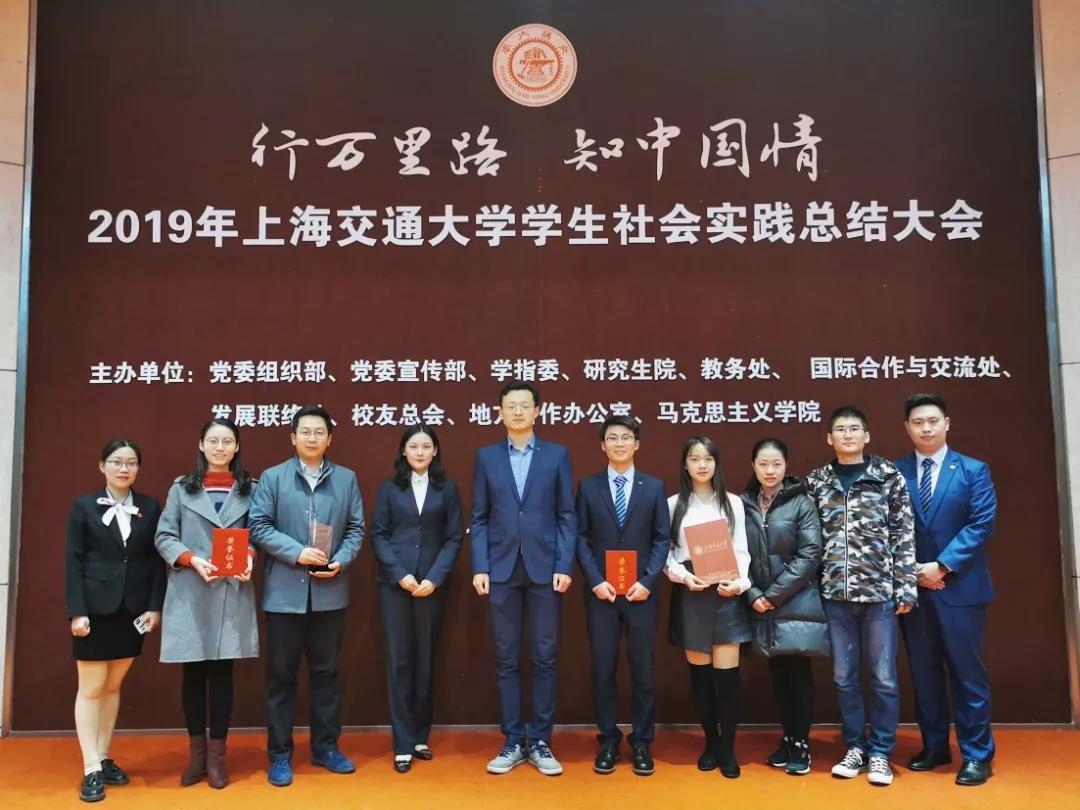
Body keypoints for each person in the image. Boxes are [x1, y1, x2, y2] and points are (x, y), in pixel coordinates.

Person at [248, 405, 364, 787]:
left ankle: (326, 748)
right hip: (284, 594)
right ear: (293, 437)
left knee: (327, 674)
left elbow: (356, 529)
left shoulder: (346, 479)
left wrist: (340, 561)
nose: (312, 438)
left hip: (330, 592)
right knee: (281, 677)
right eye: (305, 432)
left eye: (319, 432)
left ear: (330, 439)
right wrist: (297, 552)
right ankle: (280, 755)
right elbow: (258, 526)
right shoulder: (273, 477)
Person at [805, 405, 916, 787]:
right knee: (843, 678)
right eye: (840, 429)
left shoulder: (887, 476)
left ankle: (881, 752)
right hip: (834, 595)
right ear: (829, 438)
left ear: (867, 436)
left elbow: (903, 533)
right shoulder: (817, 481)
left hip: (880, 595)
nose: (848, 435)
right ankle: (855, 747)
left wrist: (906, 586)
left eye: (854, 429)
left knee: (884, 678)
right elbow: (809, 538)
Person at [471, 380, 576, 776]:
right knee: (506, 656)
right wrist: (480, 566)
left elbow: (566, 515)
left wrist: (564, 565)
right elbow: (479, 517)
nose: (517, 411)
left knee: (545, 656)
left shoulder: (557, 455)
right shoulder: (486, 456)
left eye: (524, 405)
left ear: (537, 411)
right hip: (500, 569)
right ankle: (514, 739)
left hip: (546, 569)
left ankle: (542, 741)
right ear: (499, 412)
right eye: (510, 406)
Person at [895, 394, 997, 786]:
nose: (926, 428)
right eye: (918, 422)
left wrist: (941, 566)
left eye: (933, 421)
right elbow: (888, 527)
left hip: (960, 589)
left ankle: (977, 755)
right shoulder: (895, 472)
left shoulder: (973, 470)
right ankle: (935, 745)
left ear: (947, 423)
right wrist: (914, 571)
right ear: (907, 427)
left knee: (966, 673)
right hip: (914, 591)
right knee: (924, 673)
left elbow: (980, 524)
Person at [154, 417, 258, 789]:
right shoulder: (182, 488)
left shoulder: (250, 489)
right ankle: (196, 756)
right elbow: (164, 535)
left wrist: (249, 556)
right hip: (191, 590)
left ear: (236, 447)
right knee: (193, 676)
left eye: (227, 441)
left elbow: (258, 532)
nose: (219, 447)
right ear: (201, 445)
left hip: (231, 589)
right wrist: (190, 559)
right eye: (213, 441)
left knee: (223, 674)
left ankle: (217, 759)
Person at [65, 439, 164, 803]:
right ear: (102, 465)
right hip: (94, 610)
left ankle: (104, 756)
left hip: (132, 610)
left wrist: (154, 607)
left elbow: (155, 561)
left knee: (112, 686)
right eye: (117, 462)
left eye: (131, 462)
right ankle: (91, 766)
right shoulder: (83, 507)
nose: (124, 468)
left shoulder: (150, 506)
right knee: (91, 687)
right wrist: (77, 611)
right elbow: (73, 562)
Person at [575, 416, 669, 777]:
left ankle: (642, 741)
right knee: (603, 669)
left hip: (641, 593)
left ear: (637, 444)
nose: (619, 444)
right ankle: (609, 740)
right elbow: (581, 538)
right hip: (602, 594)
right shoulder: (588, 487)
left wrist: (648, 580)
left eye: (625, 437)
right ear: (602, 446)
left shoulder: (653, 487)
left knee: (643, 670)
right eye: (612, 438)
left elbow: (661, 538)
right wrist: (595, 580)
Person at [370, 424, 464, 773]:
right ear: (403, 451)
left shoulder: (447, 488)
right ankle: (402, 742)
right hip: (396, 585)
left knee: (425, 659)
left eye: (426, 446)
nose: (420, 452)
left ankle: (421, 735)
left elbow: (454, 537)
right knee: (400, 661)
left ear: (435, 451)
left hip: (432, 586)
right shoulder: (389, 487)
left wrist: (435, 577)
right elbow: (378, 534)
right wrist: (401, 575)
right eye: (414, 446)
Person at [740, 437, 828, 776]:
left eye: (776, 464)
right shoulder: (743, 504)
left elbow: (810, 554)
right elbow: (736, 554)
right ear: (753, 466)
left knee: (798, 674)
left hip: (794, 601)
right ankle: (788, 738)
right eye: (763, 464)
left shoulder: (801, 502)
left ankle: (801, 743)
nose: (770, 470)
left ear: (786, 466)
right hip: (761, 604)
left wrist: (772, 595)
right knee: (778, 675)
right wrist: (753, 594)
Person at [665, 436, 751, 779]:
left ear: (717, 463)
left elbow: (742, 549)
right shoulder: (673, 505)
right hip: (692, 591)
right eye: (694, 458)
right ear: (685, 464)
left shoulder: (733, 503)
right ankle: (711, 743)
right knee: (700, 677)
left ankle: (728, 747)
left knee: (727, 677)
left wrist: (740, 584)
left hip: (727, 592)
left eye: (708, 459)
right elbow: (666, 554)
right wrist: (684, 577)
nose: (702, 465)